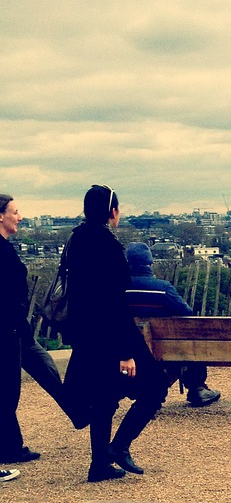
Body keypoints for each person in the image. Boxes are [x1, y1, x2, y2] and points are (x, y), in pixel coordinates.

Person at [62, 186, 170, 482]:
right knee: (155, 387)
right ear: (112, 212)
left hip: (87, 335)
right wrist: (126, 352)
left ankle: (99, 465)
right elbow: (112, 300)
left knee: (104, 397)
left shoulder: (75, 238)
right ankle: (119, 446)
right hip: (112, 333)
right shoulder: (107, 245)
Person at [0, 193, 83, 466]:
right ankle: (10, 447)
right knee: (8, 391)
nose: (19, 217)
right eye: (15, 212)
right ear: (0, 216)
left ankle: (77, 412)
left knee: (45, 365)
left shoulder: (5, 247)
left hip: (16, 328)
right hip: (8, 330)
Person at [125, 243, 221, 407]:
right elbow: (187, 314)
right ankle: (196, 387)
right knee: (190, 337)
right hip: (166, 351)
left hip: (129, 351)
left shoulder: (116, 289)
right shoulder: (162, 289)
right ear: (150, 263)